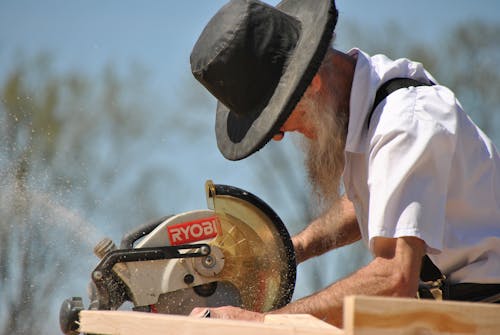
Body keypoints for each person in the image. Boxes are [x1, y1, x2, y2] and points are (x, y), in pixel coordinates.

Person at [189, 0, 500, 327]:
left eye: (277, 120)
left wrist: (261, 323)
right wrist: (292, 250)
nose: (279, 136)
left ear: (311, 84)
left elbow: (395, 279)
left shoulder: (405, 123)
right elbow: (374, 202)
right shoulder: (370, 108)